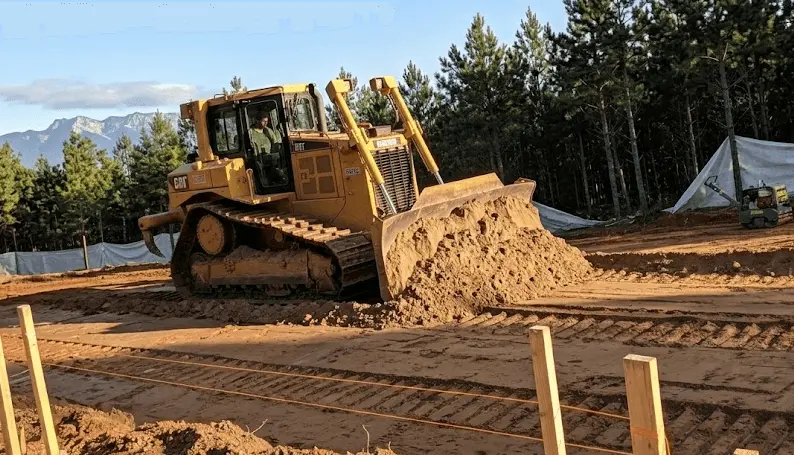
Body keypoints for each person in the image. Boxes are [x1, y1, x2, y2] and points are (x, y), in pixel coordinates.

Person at [248, 113, 286, 187]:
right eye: (263, 121)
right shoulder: (251, 133)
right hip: (258, 162)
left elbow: (275, 144)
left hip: (270, 161)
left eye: (267, 121)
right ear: (257, 121)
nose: (266, 123)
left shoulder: (268, 131)